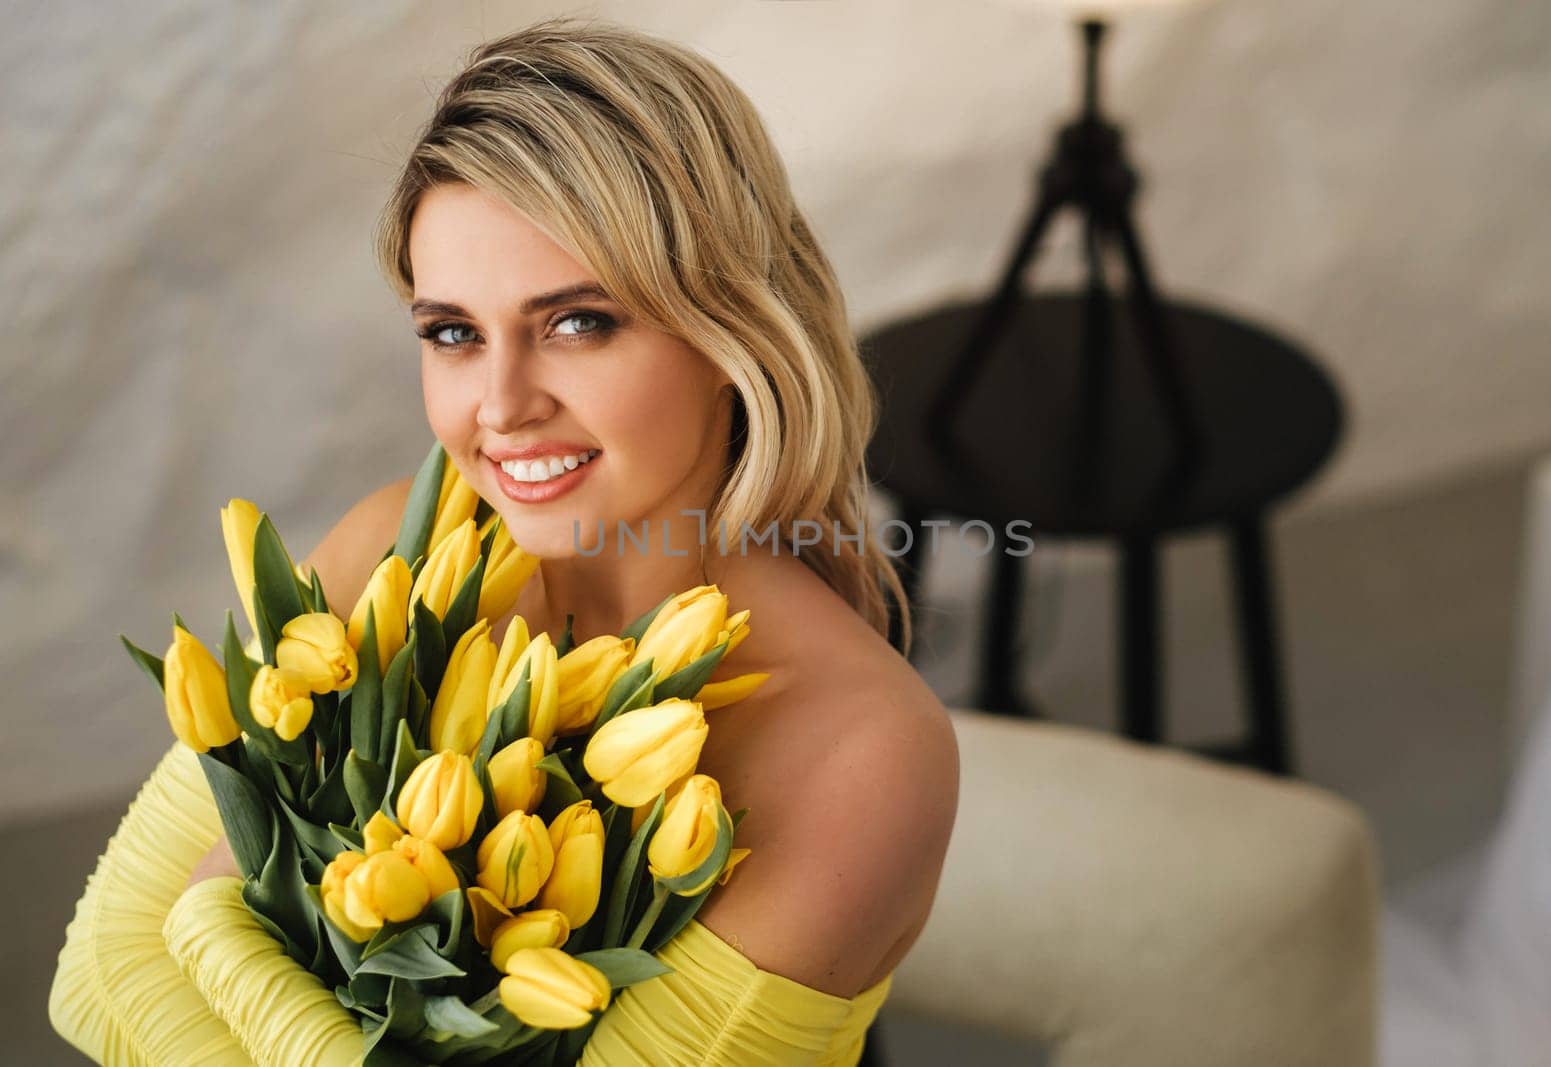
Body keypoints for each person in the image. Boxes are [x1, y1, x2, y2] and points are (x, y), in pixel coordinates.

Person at [52, 15, 960, 1066]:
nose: (502, 404)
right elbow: (103, 978)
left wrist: (212, 923)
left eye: (578, 322)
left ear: (730, 331)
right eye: (453, 332)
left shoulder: (862, 749)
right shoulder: (392, 550)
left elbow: (156, 960)